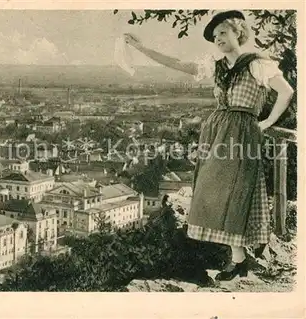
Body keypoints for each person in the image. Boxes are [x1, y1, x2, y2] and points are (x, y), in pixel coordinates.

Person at [124, 10, 294, 281]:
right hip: (216, 134)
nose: (218, 39)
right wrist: (140, 47)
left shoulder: (257, 64)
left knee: (239, 191)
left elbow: (286, 91)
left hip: (241, 135)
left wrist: (266, 122)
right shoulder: (216, 66)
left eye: (223, 33)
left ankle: (244, 256)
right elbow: (178, 64)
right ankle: (238, 259)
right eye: (215, 36)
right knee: (216, 192)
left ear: (239, 32)